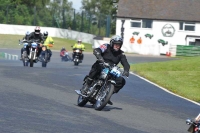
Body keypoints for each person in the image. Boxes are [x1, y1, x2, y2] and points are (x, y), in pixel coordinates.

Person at [82, 35, 130, 105]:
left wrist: (126, 70)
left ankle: (107, 95)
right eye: (116, 44)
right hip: (101, 64)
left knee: (121, 81)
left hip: (111, 69)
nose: (117, 46)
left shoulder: (121, 53)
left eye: (119, 45)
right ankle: (87, 85)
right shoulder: (106, 46)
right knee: (97, 67)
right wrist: (99, 56)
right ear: (112, 43)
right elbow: (97, 50)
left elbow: (125, 62)